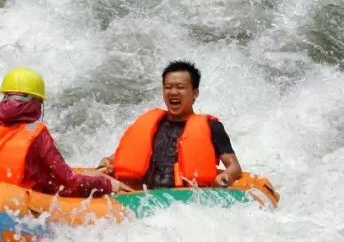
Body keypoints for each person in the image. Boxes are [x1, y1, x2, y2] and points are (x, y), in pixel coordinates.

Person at [0, 68, 129, 199]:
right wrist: (106, 184)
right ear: (36, 103)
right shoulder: (37, 136)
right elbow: (68, 184)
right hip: (10, 209)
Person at [99, 60, 243, 189]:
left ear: (195, 93)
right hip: (145, 195)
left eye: (180, 87)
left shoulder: (212, 126)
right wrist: (107, 162)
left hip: (187, 200)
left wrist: (226, 177)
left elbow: (234, 166)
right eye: (168, 87)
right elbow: (120, 157)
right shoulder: (154, 123)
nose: (173, 92)